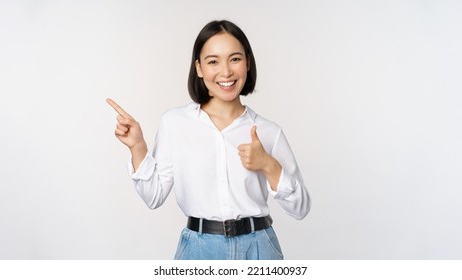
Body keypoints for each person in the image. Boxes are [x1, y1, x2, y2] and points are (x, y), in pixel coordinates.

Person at [106, 20, 310, 260]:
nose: (226, 72)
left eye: (235, 59)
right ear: (199, 68)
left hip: (259, 249)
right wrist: (138, 147)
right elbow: (153, 197)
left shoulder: (268, 131)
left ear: (247, 63)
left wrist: (269, 165)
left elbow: (300, 208)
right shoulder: (175, 122)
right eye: (213, 61)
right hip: (198, 250)